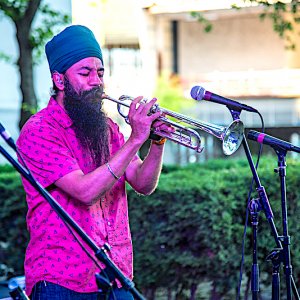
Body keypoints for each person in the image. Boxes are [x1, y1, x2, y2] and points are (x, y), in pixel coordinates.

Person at [16, 25, 170, 300]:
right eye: (85, 73)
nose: (96, 81)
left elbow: (144, 184)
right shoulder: (40, 130)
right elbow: (85, 192)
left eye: (100, 73)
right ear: (60, 80)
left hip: (116, 272)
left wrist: (156, 142)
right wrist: (136, 138)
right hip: (62, 279)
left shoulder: (108, 128)